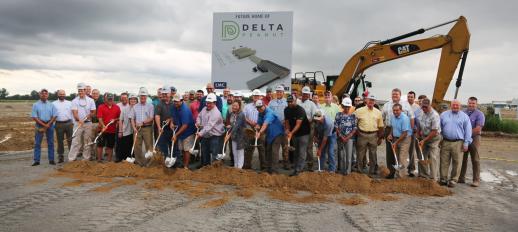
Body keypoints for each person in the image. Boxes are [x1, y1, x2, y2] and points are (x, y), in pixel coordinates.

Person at [382, 88, 415, 176]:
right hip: (391, 129)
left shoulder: (406, 104)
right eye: (393, 94)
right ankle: (391, 172)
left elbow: (411, 117)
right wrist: (387, 133)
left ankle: (403, 173)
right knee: (391, 153)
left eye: (396, 94)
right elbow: (382, 118)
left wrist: (410, 131)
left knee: (402, 155)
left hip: (404, 131)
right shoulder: (386, 105)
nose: (394, 96)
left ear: (400, 95)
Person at [439, 99, 472, 188]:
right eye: (453, 105)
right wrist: (439, 139)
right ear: (451, 105)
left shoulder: (465, 117)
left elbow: (468, 131)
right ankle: (443, 179)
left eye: (457, 105)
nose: (455, 106)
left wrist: (466, 143)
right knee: (444, 161)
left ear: (460, 106)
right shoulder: (443, 115)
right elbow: (439, 128)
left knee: (457, 162)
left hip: (458, 143)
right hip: (445, 141)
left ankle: (453, 180)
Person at [353, 93, 384, 175]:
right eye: (370, 99)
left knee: (373, 154)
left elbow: (381, 126)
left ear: (375, 102)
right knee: (360, 154)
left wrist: (380, 138)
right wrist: (357, 132)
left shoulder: (378, 112)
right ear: (366, 100)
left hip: (373, 135)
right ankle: (359, 171)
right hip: (362, 134)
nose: (371, 101)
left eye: (373, 100)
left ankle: (372, 171)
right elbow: (353, 123)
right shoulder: (359, 111)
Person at [459, 97, 485, 187]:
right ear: (467, 103)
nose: (471, 105)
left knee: (475, 159)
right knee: (463, 159)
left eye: (473, 103)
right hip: (463, 138)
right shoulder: (462, 112)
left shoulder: (480, 114)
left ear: (476, 104)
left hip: (475, 138)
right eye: (470, 103)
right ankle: (461, 178)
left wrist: (467, 135)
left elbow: (478, 129)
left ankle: (476, 180)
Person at [68, 83, 96, 161]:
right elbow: (74, 112)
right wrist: (79, 120)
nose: (80, 92)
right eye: (79, 90)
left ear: (85, 90)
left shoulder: (91, 100)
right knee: (75, 141)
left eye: (82, 90)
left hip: (88, 123)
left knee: (87, 141)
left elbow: (93, 112)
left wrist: (89, 116)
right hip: (78, 123)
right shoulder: (74, 101)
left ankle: (86, 159)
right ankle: (72, 159)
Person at [256, 100, 285, 174]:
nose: (259, 109)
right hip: (269, 134)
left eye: (261, 107)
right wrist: (257, 126)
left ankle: (274, 170)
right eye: (258, 108)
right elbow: (259, 123)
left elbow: (265, 124)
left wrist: (259, 133)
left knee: (274, 151)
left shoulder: (269, 113)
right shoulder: (260, 113)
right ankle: (268, 168)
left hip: (277, 133)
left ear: (264, 105)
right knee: (268, 150)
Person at [285, 95, 311, 176]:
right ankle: (296, 168)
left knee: (301, 152)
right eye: (288, 102)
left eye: (291, 101)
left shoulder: (300, 110)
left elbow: (298, 124)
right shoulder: (286, 110)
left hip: (304, 133)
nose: (289, 103)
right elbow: (287, 121)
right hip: (294, 133)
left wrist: (291, 133)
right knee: (295, 151)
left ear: (295, 101)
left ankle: (299, 170)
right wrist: (287, 130)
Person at [196, 93, 225, 167]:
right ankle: (205, 168)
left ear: (214, 103)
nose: (208, 104)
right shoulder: (204, 109)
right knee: (204, 152)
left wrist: (200, 133)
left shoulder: (216, 113)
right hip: (206, 134)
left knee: (214, 153)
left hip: (215, 135)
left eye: (210, 103)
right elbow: (199, 116)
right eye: (207, 103)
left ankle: (215, 170)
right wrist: (198, 122)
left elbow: (210, 125)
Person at [416, 98, 442, 180]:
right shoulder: (421, 113)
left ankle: (434, 178)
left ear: (430, 106)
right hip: (424, 137)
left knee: (433, 157)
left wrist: (424, 140)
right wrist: (418, 133)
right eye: (422, 107)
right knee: (421, 155)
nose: (424, 108)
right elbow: (419, 124)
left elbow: (434, 131)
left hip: (434, 138)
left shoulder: (435, 115)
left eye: (426, 107)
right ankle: (423, 175)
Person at [31, 89, 57, 166]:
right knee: (37, 143)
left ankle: (51, 160)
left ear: (47, 95)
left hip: (50, 124)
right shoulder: (35, 105)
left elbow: (54, 115)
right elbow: (34, 117)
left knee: (51, 143)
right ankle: (36, 161)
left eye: (46, 93)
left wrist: (48, 124)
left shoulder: (51, 104)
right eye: (42, 93)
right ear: (40, 95)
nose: (44, 95)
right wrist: (44, 125)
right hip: (39, 125)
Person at [130, 87, 155, 167]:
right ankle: (139, 162)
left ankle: (149, 162)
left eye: (144, 96)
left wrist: (143, 122)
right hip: (137, 129)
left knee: (149, 146)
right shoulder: (135, 106)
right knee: (137, 146)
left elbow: (151, 118)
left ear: (146, 96)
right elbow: (132, 118)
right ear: (139, 97)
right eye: (141, 96)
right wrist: (134, 128)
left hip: (147, 128)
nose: (143, 97)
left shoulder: (150, 106)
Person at [386, 103, 412, 178]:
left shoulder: (405, 118)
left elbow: (404, 133)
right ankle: (397, 175)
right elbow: (392, 127)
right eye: (394, 110)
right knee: (396, 157)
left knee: (402, 158)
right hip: (396, 138)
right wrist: (390, 134)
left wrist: (396, 143)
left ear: (401, 110)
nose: (395, 112)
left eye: (397, 110)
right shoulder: (393, 117)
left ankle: (401, 177)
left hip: (404, 139)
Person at [170, 95, 196, 169]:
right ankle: (183, 164)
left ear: (181, 101)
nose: (175, 103)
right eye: (174, 101)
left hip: (188, 132)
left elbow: (185, 125)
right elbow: (172, 115)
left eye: (177, 101)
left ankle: (186, 166)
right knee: (182, 149)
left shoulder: (185, 110)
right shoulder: (174, 107)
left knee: (186, 149)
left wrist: (176, 135)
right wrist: (172, 122)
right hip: (180, 131)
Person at [268, 85, 289, 169]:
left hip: (285, 127)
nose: (279, 93)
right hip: (275, 128)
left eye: (280, 92)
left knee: (285, 146)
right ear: (275, 93)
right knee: (275, 148)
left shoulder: (287, 102)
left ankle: (286, 164)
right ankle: (275, 166)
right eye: (277, 91)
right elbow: (269, 114)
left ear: (283, 93)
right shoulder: (271, 102)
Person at [243, 89, 266, 170]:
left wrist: (259, 125)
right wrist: (251, 123)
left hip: (261, 129)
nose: (256, 97)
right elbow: (244, 117)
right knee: (249, 148)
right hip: (250, 129)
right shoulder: (247, 106)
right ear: (252, 97)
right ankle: (247, 166)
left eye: (257, 96)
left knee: (262, 149)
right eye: (254, 96)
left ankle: (263, 166)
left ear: (260, 97)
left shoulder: (264, 106)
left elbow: (266, 118)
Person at [335, 97, 357, 175]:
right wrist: (341, 136)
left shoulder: (353, 116)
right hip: (340, 138)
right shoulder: (338, 115)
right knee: (340, 155)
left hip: (349, 139)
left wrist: (348, 137)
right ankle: (341, 171)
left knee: (348, 156)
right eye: (345, 106)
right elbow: (336, 126)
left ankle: (347, 172)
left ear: (350, 107)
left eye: (348, 107)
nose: (347, 108)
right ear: (343, 106)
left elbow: (354, 128)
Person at [96, 93, 120, 162]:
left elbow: (119, 117)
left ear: (113, 99)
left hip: (112, 130)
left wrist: (114, 120)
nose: (110, 100)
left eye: (111, 99)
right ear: (105, 99)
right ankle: (99, 160)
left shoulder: (117, 107)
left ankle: (109, 161)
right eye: (108, 99)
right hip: (102, 130)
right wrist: (103, 126)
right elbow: (99, 118)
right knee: (100, 145)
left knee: (110, 146)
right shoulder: (101, 107)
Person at [298, 86, 318, 171]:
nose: (305, 95)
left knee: (309, 147)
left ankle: (310, 165)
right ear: (301, 93)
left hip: (309, 126)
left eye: (307, 94)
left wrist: (311, 119)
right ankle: (300, 165)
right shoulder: (298, 103)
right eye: (304, 93)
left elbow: (317, 115)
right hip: (299, 127)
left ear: (309, 95)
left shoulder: (312, 104)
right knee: (300, 147)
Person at [52, 89, 73, 163]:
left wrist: (73, 122)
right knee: (60, 141)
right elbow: (52, 115)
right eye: (60, 94)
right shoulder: (54, 104)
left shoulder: (70, 103)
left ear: (65, 95)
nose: (62, 95)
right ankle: (60, 156)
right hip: (59, 124)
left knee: (70, 140)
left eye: (63, 94)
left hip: (69, 124)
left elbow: (72, 113)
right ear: (58, 95)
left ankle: (72, 156)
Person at [117, 93, 137, 162]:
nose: (133, 101)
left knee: (134, 147)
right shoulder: (124, 109)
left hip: (135, 131)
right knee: (125, 146)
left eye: (134, 99)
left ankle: (133, 160)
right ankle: (122, 160)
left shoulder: (138, 109)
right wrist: (120, 131)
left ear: (137, 100)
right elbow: (120, 120)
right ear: (129, 100)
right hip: (126, 131)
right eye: (131, 99)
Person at [154, 87, 173, 158]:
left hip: (172, 128)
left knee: (173, 145)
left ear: (170, 94)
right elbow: (157, 115)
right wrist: (159, 127)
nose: (164, 95)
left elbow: (176, 114)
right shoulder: (159, 104)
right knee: (162, 146)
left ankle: (173, 161)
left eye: (166, 94)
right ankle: (164, 160)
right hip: (162, 128)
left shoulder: (174, 103)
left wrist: (170, 120)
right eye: (163, 94)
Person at [227, 100, 246, 169]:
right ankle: (235, 167)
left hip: (240, 136)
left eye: (236, 106)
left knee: (240, 152)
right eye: (233, 105)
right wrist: (229, 126)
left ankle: (239, 168)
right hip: (234, 136)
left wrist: (229, 135)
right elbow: (232, 124)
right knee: (234, 152)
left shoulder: (241, 114)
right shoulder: (231, 113)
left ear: (239, 107)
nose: (234, 107)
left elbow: (236, 126)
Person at [407, 91, 421, 177]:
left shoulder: (418, 108)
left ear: (414, 98)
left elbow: (419, 121)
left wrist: (416, 130)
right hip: (404, 131)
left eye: (411, 97)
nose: (410, 98)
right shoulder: (404, 105)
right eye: (408, 97)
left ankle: (411, 169)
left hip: (413, 132)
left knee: (412, 151)